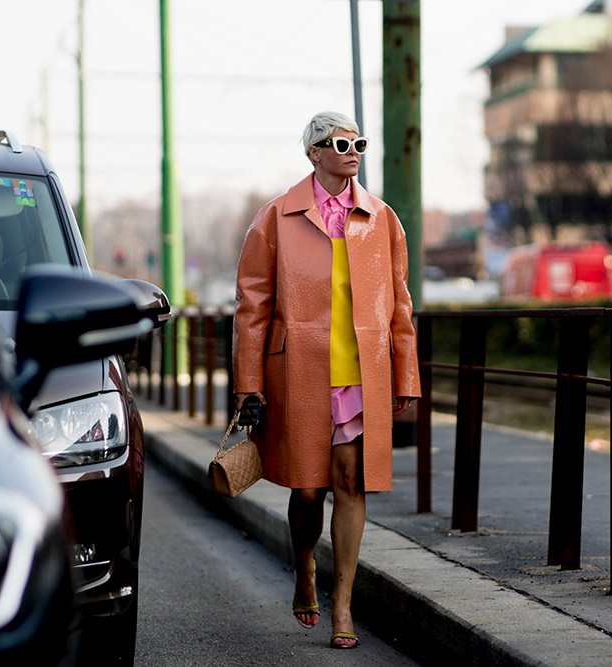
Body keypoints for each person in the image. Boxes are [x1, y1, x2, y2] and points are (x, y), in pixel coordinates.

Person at [233, 111, 420, 649]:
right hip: (298, 370)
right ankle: (305, 567)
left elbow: (400, 303)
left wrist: (405, 370)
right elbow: (251, 306)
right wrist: (249, 382)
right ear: (313, 153)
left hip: (361, 370)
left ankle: (343, 603)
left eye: (357, 141)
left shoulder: (381, 218)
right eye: (338, 143)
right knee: (308, 488)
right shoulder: (276, 217)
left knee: (349, 482)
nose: (351, 150)